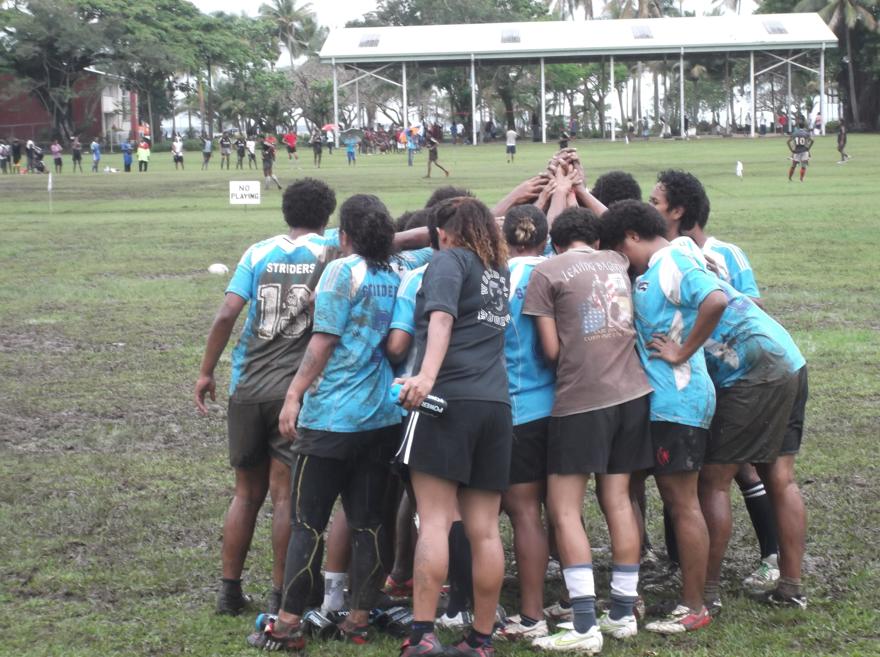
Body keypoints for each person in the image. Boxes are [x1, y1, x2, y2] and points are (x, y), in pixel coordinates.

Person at [248, 194, 402, 650]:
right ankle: (357, 621)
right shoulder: (398, 270)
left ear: (346, 235)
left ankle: (288, 624)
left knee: (307, 522)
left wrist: (293, 395)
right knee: (370, 522)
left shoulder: (341, 270)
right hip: (383, 417)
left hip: (332, 418)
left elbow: (322, 343)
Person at [195, 177, 339, 618]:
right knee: (283, 497)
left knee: (244, 494)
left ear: (285, 213)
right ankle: (280, 593)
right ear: (327, 215)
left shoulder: (257, 252)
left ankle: (229, 591)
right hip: (293, 392)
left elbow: (226, 314)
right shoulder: (331, 250)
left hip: (247, 386)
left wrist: (205, 372)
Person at [524, 208, 653, 651]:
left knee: (563, 509)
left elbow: (550, 351)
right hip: (634, 394)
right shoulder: (617, 262)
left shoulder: (546, 271)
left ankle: (583, 624)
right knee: (618, 501)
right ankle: (621, 611)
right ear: (596, 240)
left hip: (581, 400)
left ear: (555, 242)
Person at [395, 197, 512, 657]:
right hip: (496, 406)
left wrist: (425, 377)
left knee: (436, 520)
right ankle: (480, 640)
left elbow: (441, 319)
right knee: (484, 529)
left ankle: (423, 636)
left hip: (447, 401)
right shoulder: (497, 272)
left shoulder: (447, 261)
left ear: (444, 233)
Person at [599, 200, 718, 636]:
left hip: (679, 402)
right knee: (627, 488)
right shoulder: (658, 263)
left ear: (632, 237)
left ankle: (694, 606)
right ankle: (630, 597)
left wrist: (682, 351)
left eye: (619, 249)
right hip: (656, 404)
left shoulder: (671, 259)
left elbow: (715, 299)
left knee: (681, 501)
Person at [494, 205, 555, 642]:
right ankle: (564, 598)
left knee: (521, 511)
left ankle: (529, 614)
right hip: (563, 406)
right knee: (562, 510)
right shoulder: (561, 269)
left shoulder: (493, 277)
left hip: (516, 407)